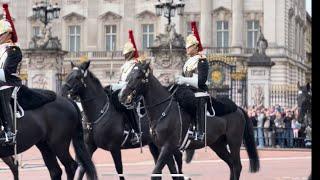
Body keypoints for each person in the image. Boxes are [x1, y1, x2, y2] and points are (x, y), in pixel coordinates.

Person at [110, 30, 140, 145]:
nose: (125, 55)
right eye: (124, 53)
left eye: (127, 53)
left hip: (131, 92)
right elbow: (121, 80)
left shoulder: (135, 65)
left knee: (127, 104)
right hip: (123, 90)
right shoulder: (124, 66)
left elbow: (131, 82)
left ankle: (136, 132)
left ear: (132, 53)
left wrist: (119, 86)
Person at [0, 4, 21, 145]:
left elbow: (6, 70)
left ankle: (9, 131)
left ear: (7, 34)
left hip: (9, 82)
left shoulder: (13, 50)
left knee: (1, 91)